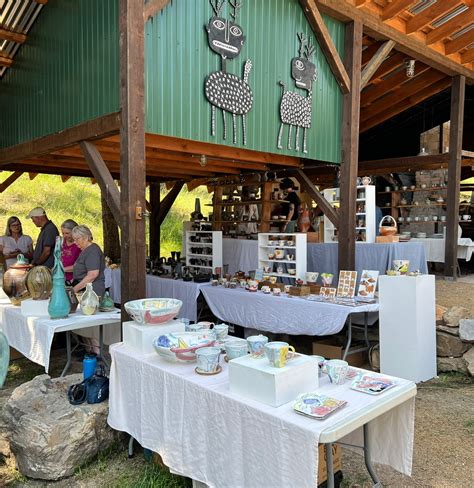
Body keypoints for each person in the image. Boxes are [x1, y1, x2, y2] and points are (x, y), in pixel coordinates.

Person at [72, 225, 106, 297]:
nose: (75, 242)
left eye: (77, 239)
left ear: (86, 238)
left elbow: (92, 275)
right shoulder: (86, 249)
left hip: (93, 290)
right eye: (74, 239)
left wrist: (74, 290)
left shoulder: (92, 251)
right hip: (87, 289)